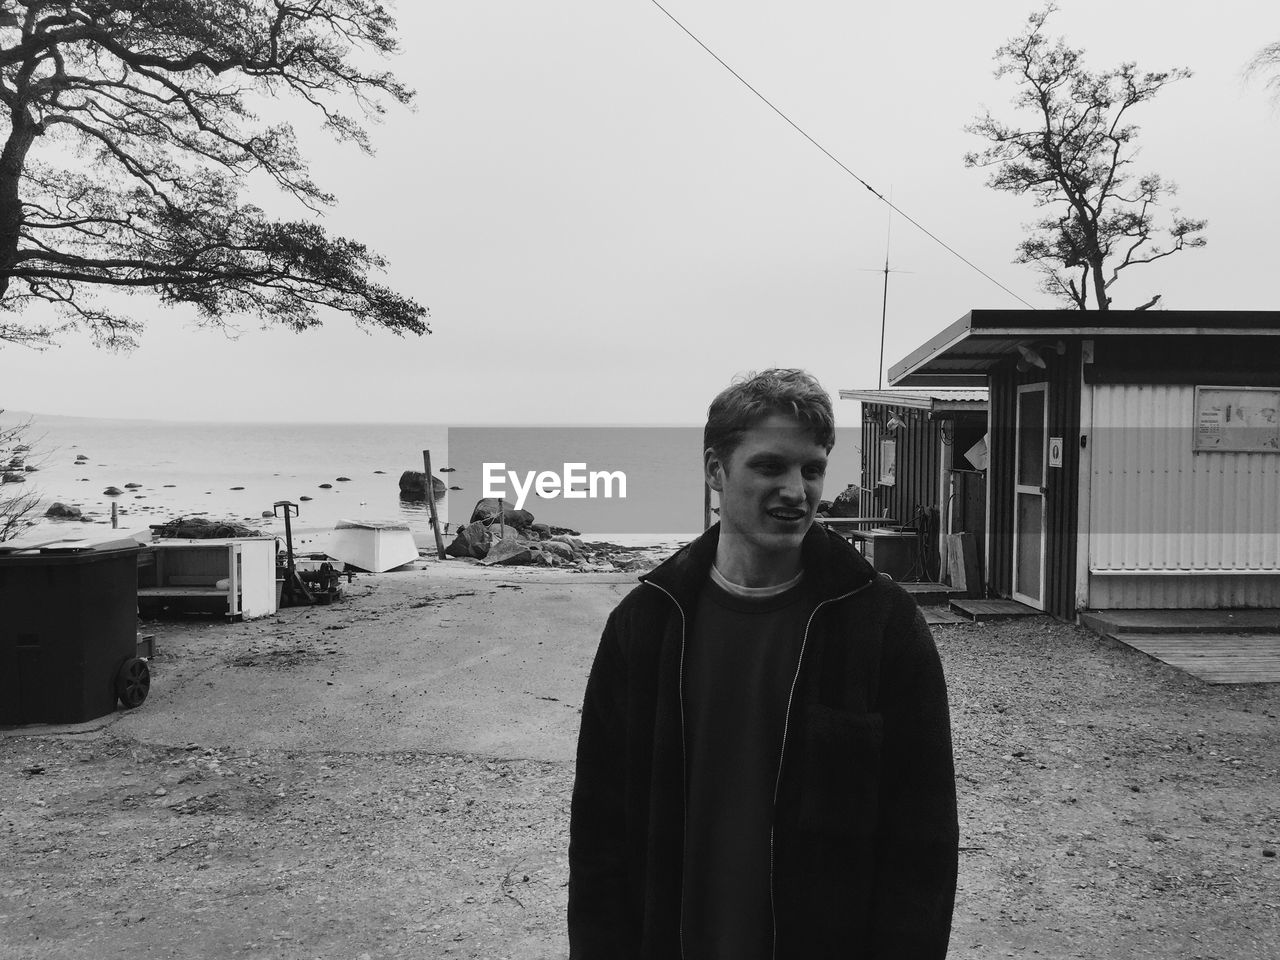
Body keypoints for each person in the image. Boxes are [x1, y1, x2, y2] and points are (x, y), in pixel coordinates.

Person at [568, 368, 958, 959]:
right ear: (714, 472)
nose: (797, 490)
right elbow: (601, 829)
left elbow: (921, 839)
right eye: (770, 466)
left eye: (812, 469)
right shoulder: (645, 623)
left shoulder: (881, 624)